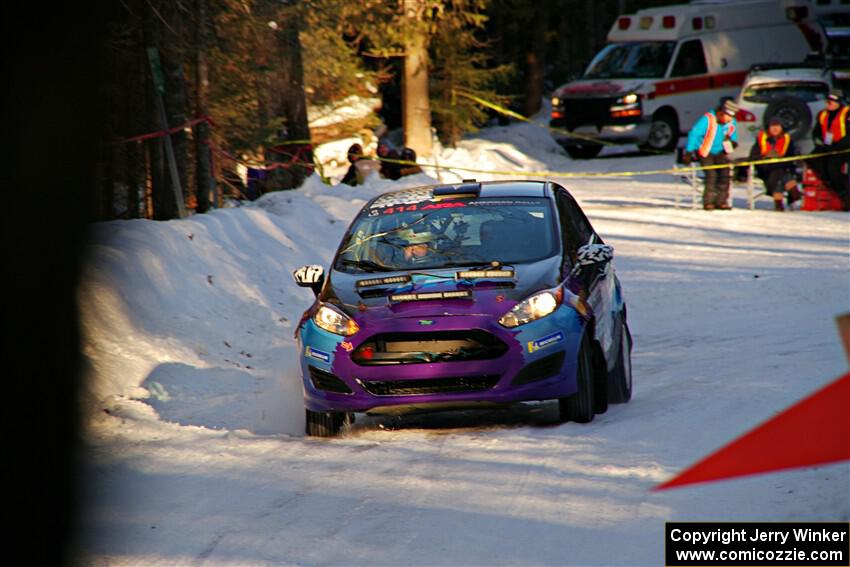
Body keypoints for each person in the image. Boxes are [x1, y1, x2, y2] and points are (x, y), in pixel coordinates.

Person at [685, 99, 739, 210]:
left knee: (725, 175)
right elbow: (694, 133)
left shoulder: (731, 122)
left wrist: (733, 143)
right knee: (711, 175)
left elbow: (733, 135)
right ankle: (708, 202)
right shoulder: (708, 119)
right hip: (704, 151)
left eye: (732, 117)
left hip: (720, 151)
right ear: (722, 112)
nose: (730, 119)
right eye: (728, 116)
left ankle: (721, 201)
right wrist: (689, 151)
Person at [807, 88, 850, 211]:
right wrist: (819, 142)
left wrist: (837, 146)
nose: (829, 104)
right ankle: (830, 183)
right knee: (812, 159)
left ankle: (844, 195)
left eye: (832, 101)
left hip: (844, 149)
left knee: (833, 167)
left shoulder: (847, 113)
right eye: (828, 101)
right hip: (827, 148)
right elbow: (816, 132)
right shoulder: (822, 114)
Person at [749, 118, 800, 211]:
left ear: (781, 128)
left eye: (777, 126)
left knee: (779, 172)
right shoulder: (761, 139)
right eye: (772, 126)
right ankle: (793, 190)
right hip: (765, 168)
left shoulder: (787, 139)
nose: (775, 129)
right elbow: (753, 157)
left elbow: (792, 156)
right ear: (768, 128)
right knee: (779, 172)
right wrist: (766, 157)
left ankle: (778, 202)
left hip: (783, 167)